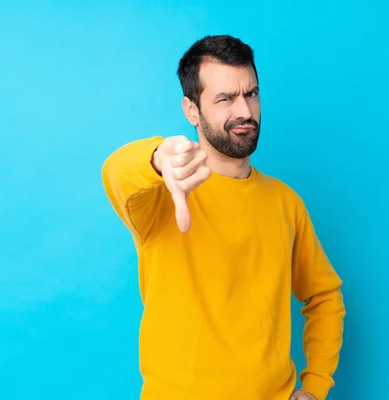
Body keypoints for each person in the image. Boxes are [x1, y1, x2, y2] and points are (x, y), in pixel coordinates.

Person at [101, 34, 346, 400]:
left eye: (251, 94)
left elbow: (324, 296)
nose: (245, 111)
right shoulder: (159, 197)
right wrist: (157, 158)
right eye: (225, 99)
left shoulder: (285, 202)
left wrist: (315, 386)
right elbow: (115, 172)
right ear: (191, 110)